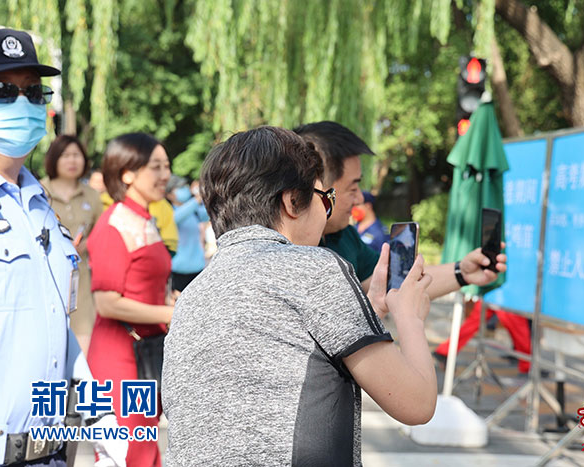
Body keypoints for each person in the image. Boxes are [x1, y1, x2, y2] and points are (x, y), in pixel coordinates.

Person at [163, 126, 437, 466]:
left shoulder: (193, 295)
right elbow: (416, 403)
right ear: (292, 201)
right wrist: (409, 315)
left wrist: (369, 315)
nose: (327, 211)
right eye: (326, 199)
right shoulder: (316, 267)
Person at [0, 27, 124, 467]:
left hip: (51, 453)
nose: (22, 104)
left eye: (33, 92)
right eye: (1, 91)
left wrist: (103, 424)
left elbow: (58, 335)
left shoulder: (40, 207)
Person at [293, 121, 507, 297]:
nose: (359, 198)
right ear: (316, 185)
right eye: (353, 188)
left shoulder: (344, 236)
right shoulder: (282, 255)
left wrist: (463, 272)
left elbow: (396, 283)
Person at [87, 132, 174, 466]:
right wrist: (167, 312)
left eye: (166, 166)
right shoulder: (113, 225)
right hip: (119, 360)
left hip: (146, 355)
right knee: (128, 454)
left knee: (146, 451)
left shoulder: (146, 217)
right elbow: (107, 303)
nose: (165, 175)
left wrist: (170, 302)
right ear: (127, 173)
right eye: (156, 167)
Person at [41, 134, 103, 353]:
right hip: (46, 276)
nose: (72, 161)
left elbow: (101, 233)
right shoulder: (39, 191)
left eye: (77, 155)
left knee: (84, 349)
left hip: (82, 280)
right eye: (65, 155)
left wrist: (90, 243)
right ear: (54, 159)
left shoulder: (92, 195)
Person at [165, 175, 209, 292]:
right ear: (169, 194)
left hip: (198, 270)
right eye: (179, 187)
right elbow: (175, 219)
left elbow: (208, 213)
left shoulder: (194, 211)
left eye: (185, 186)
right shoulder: (169, 212)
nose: (184, 189)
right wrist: (196, 200)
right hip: (178, 272)